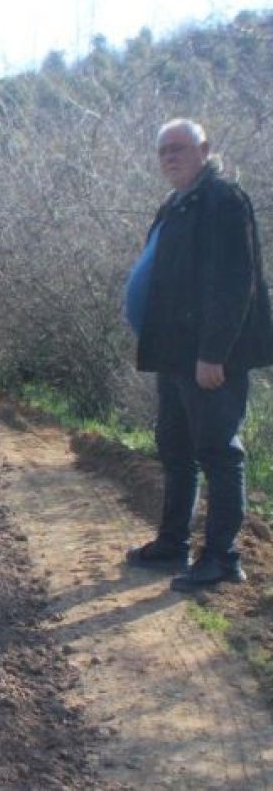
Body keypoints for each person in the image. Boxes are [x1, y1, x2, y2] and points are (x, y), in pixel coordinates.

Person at [124, 118, 273, 590]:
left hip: (209, 358)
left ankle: (223, 559)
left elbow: (234, 284)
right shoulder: (177, 203)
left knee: (218, 450)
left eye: (180, 148)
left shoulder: (223, 199)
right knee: (175, 448)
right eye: (163, 150)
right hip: (174, 355)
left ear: (204, 149)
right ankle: (174, 543)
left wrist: (214, 354)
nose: (170, 156)